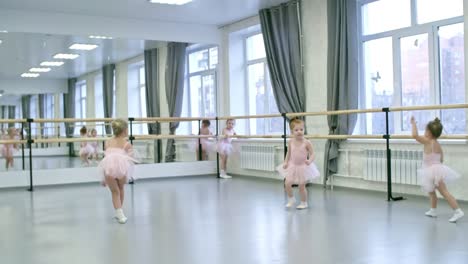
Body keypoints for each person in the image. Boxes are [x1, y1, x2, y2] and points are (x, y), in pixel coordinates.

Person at [411, 116, 464, 223]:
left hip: (432, 170)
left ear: (429, 132)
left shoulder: (427, 141)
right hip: (435, 169)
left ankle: (458, 211)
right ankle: (433, 210)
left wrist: (413, 123)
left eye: (426, 130)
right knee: (431, 191)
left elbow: (415, 135)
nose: (424, 132)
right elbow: (442, 158)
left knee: (444, 192)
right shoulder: (437, 143)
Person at [98, 119, 138, 224]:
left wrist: (103, 177)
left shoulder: (108, 142)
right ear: (124, 130)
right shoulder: (127, 144)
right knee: (120, 189)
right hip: (122, 170)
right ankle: (120, 213)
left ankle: (119, 212)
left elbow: (105, 158)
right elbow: (131, 159)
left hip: (109, 169)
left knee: (115, 191)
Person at [277, 118, 320, 209]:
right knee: (287, 183)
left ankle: (304, 202)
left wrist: (310, 160)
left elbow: (312, 154)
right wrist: (285, 162)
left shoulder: (307, 142)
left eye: (301, 129)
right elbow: (288, 153)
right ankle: (291, 199)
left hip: (303, 167)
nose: (299, 132)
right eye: (296, 130)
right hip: (292, 165)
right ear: (292, 131)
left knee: (301, 186)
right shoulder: (291, 141)